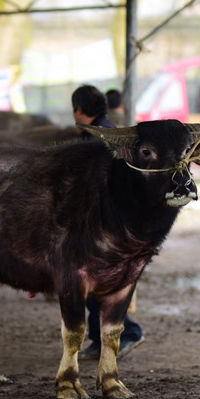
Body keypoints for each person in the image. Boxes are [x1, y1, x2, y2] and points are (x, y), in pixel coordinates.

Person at [71, 84, 145, 360]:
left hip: (105, 227)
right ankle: (99, 339)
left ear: (78, 111)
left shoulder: (98, 139)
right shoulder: (108, 134)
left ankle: (130, 332)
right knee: (92, 286)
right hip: (108, 225)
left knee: (102, 286)